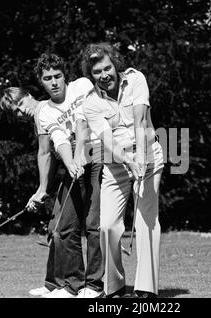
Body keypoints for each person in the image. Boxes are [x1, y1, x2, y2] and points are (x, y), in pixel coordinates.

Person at [0, 53, 104, 298]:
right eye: (48, 78)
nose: (54, 82)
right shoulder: (44, 113)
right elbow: (53, 147)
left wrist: (75, 159)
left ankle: (92, 285)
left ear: (29, 95)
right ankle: (66, 284)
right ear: (41, 82)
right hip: (73, 165)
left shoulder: (81, 87)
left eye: (58, 76)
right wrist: (45, 186)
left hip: (98, 156)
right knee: (60, 227)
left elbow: (83, 125)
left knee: (93, 225)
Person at [81, 43, 164, 298]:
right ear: (90, 75)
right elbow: (107, 141)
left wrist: (140, 157)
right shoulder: (91, 104)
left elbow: (140, 120)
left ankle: (146, 290)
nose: (104, 74)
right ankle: (115, 286)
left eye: (107, 68)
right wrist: (128, 161)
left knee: (145, 222)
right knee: (107, 225)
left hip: (148, 157)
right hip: (115, 163)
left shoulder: (135, 79)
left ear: (115, 64)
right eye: (97, 72)